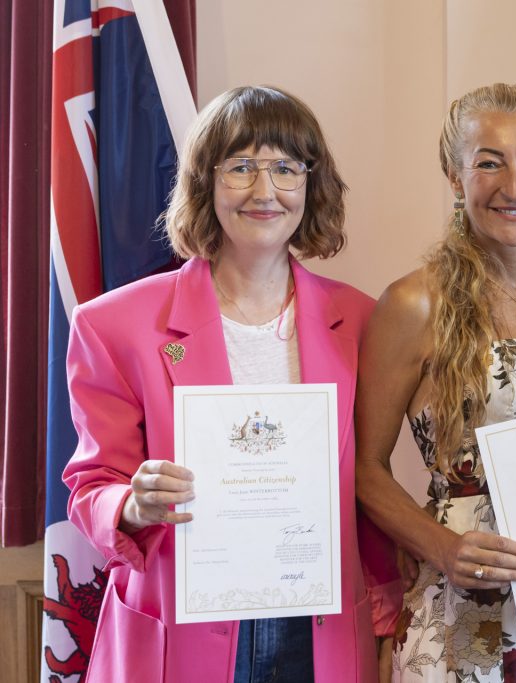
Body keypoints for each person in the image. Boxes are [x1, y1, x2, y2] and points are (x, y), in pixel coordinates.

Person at [63, 85, 400, 682]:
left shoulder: (363, 322)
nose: (264, 190)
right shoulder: (113, 325)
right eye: (241, 167)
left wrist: (386, 618)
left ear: (310, 185)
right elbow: (91, 486)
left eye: (285, 168)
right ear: (205, 182)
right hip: (180, 626)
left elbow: (366, 487)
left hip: (319, 627)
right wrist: (133, 504)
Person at [354, 83, 516, 682]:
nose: (515, 186)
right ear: (453, 174)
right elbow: (363, 467)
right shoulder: (414, 302)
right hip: (465, 597)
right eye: (489, 163)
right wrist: (442, 548)